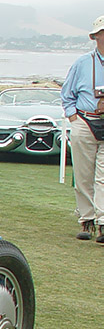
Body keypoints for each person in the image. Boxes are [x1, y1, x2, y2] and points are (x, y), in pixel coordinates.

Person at [61, 15, 104, 242]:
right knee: (83, 174)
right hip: (85, 121)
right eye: (103, 33)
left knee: (103, 177)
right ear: (95, 36)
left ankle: (102, 221)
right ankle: (86, 220)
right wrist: (73, 116)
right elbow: (67, 94)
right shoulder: (82, 63)